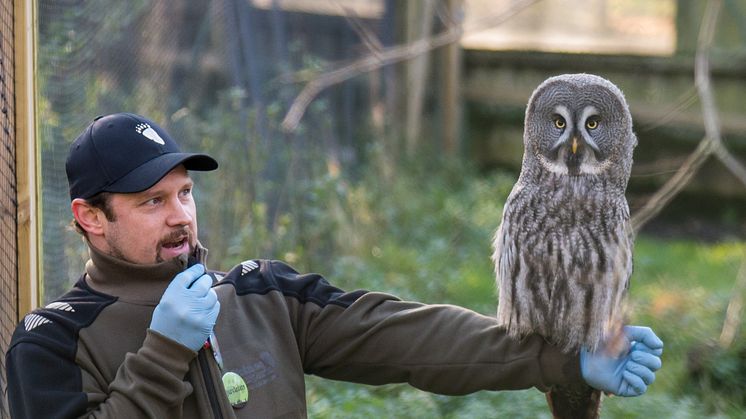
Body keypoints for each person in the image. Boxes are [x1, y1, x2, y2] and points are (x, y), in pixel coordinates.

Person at [5, 113, 663, 418]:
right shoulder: (52, 340)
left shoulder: (260, 294)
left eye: (185, 193)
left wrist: (562, 358)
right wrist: (162, 354)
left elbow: (407, 337)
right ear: (91, 217)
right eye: (151, 200)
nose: (180, 215)